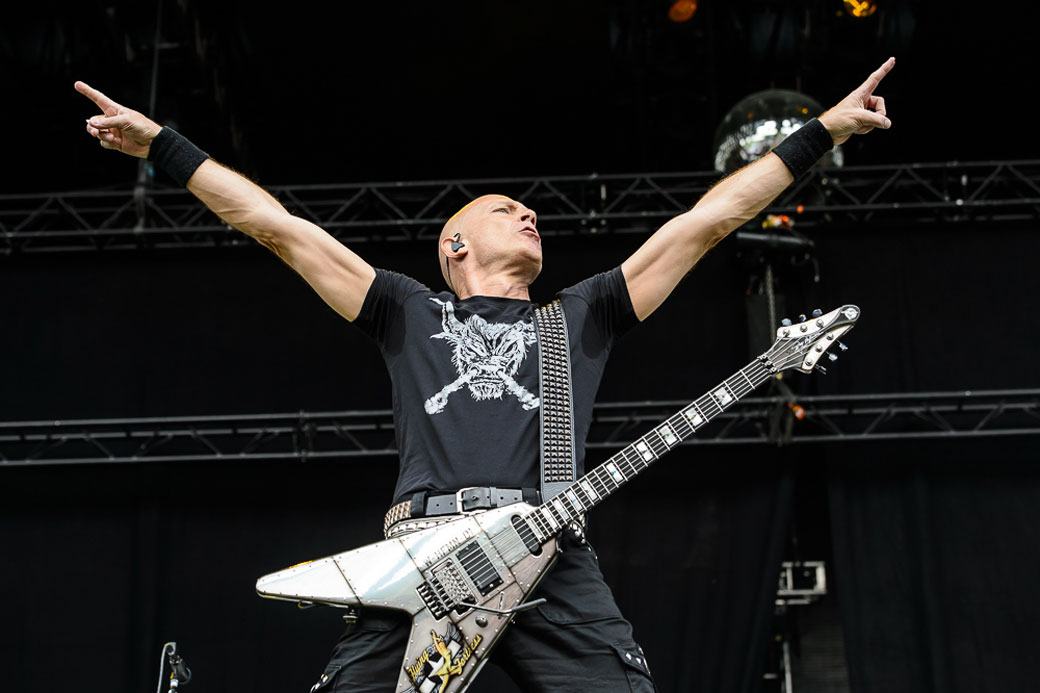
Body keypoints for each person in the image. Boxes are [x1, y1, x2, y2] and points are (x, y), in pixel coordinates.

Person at [76, 57, 894, 692]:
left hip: (551, 557)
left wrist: (822, 131)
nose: (529, 213)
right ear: (455, 245)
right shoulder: (404, 308)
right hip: (421, 558)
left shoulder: (582, 313)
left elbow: (706, 222)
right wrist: (163, 145)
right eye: (506, 209)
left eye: (528, 210)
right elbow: (278, 228)